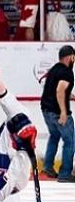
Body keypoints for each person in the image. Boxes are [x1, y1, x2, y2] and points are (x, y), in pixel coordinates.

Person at [41, 45, 75, 181]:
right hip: (57, 112)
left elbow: (55, 88)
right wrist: (63, 112)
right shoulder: (67, 72)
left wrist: (70, 95)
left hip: (46, 111)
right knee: (70, 141)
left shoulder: (54, 69)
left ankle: (48, 166)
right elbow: (60, 90)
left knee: (54, 136)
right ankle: (65, 174)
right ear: (70, 57)